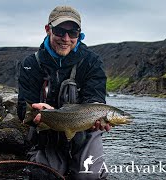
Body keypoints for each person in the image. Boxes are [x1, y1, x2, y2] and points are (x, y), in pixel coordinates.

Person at [17, 5, 110, 179]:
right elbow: (23, 107)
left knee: (87, 176)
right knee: (44, 175)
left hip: (84, 133)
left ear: (79, 33)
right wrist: (36, 113)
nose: (66, 38)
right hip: (48, 133)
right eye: (60, 31)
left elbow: (95, 97)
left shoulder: (92, 62)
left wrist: (97, 112)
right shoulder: (31, 64)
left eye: (73, 33)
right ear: (48, 29)